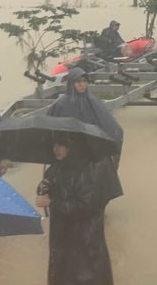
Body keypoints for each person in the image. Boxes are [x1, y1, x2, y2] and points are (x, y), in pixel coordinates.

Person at [35, 135, 114, 285]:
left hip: (85, 240)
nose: (56, 149)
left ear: (73, 147)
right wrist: (43, 188)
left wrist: (53, 202)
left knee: (81, 283)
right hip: (61, 239)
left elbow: (87, 207)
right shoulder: (55, 168)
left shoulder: (90, 170)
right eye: (54, 144)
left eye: (62, 145)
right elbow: (49, 188)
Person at [47, 66, 125, 202]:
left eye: (84, 81)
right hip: (68, 153)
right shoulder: (60, 105)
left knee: (92, 188)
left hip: (90, 153)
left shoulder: (94, 103)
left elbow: (113, 128)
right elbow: (50, 126)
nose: (82, 85)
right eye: (78, 82)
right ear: (71, 84)